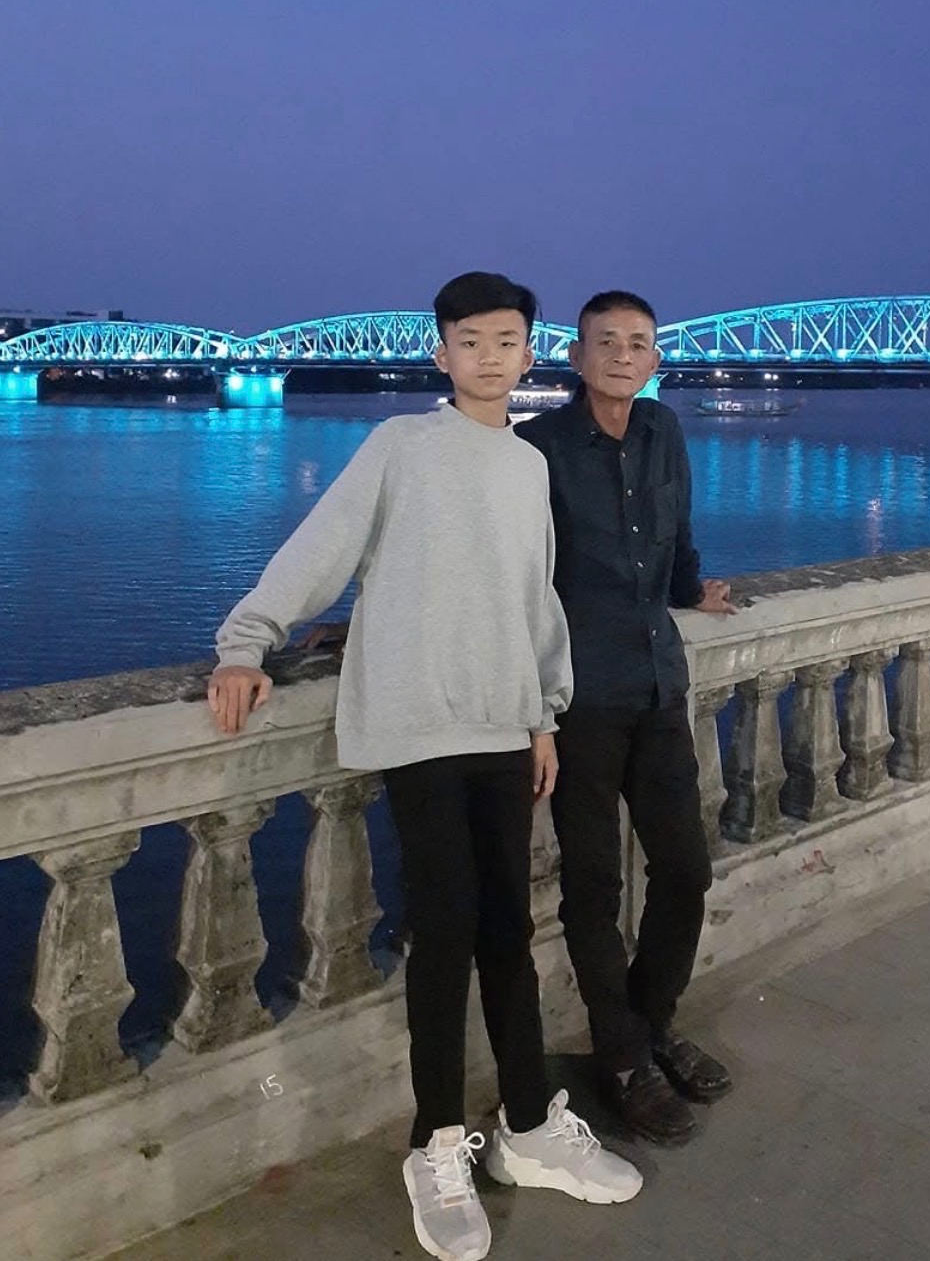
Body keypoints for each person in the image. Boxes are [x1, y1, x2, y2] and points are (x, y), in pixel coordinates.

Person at [206, 272, 641, 1261]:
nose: (490, 357)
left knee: (509, 931)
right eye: (471, 341)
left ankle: (527, 1128)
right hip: (418, 728)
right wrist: (246, 642)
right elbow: (322, 548)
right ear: (441, 354)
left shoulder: (526, 465)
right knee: (444, 935)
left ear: (529, 352)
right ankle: (437, 1144)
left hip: (501, 728)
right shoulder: (400, 445)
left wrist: (543, 714)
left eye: (507, 340)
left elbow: (534, 601)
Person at [518, 291, 736, 1146]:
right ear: (576, 358)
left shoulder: (663, 430)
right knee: (593, 887)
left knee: (685, 869)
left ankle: (651, 1026)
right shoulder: (537, 448)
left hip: (657, 687)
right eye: (604, 342)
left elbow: (676, 532)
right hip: (580, 700)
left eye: (637, 343)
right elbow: (513, 575)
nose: (621, 354)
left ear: (654, 361)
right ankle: (620, 1058)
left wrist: (691, 589)